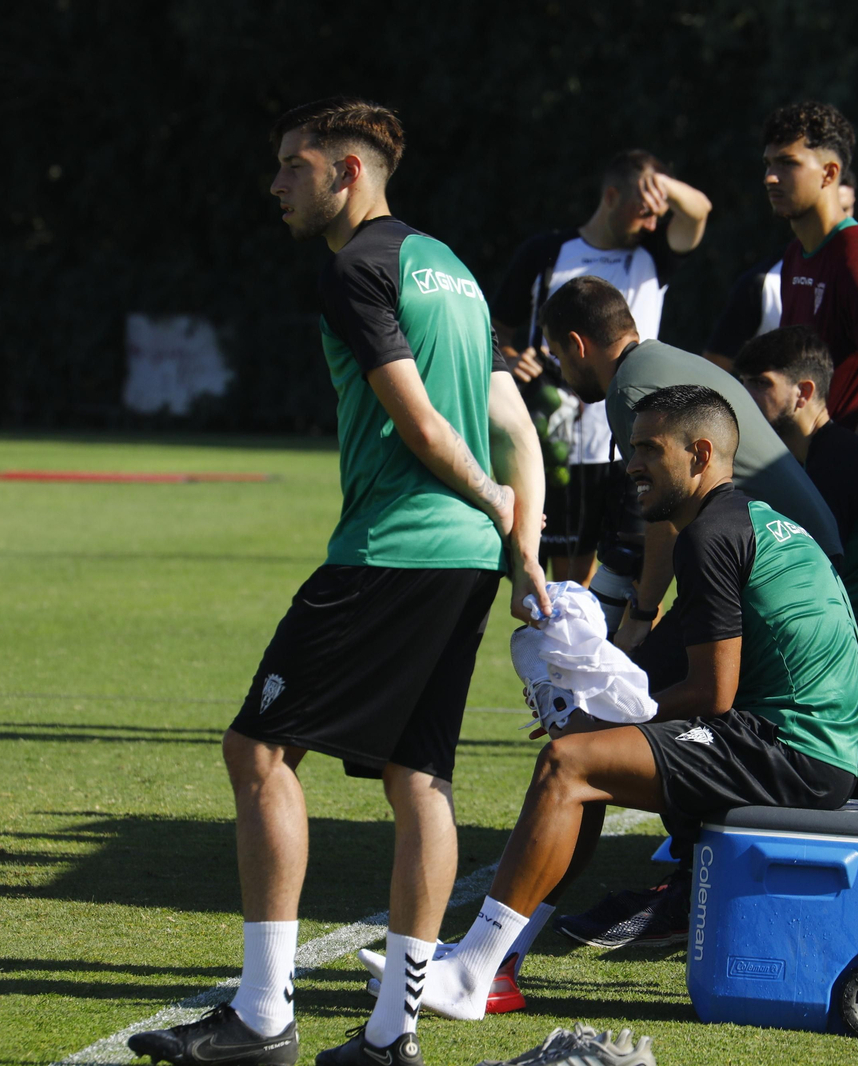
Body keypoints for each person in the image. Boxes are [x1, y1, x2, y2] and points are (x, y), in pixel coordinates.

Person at [127, 97, 548, 1066]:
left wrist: (492, 504)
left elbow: (423, 426)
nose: (276, 184)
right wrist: (519, 542)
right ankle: (390, 1037)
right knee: (420, 778)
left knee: (259, 753)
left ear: (347, 171)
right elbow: (517, 426)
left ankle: (263, 1013)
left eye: (291, 165)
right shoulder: (458, 271)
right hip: (465, 562)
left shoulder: (356, 268)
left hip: (391, 550)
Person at [419, 385, 858, 1022]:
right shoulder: (740, 519)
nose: (631, 464)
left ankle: (476, 972)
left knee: (570, 766)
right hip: (808, 743)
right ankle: (497, 962)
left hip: (793, 751)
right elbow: (661, 662)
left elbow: (712, 693)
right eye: (630, 448)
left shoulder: (708, 535)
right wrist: (585, 685)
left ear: (701, 454)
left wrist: (593, 721)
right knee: (584, 759)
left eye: (648, 450)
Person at [540, 275, 843, 661]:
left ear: (578, 345)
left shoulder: (628, 388)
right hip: (806, 562)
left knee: (636, 688)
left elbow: (666, 512)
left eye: (556, 355)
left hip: (780, 577)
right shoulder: (665, 360)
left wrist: (642, 613)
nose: (561, 371)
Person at [489, 150, 712, 583]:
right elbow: (496, 330)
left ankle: (623, 649)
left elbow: (699, 210)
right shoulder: (546, 252)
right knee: (565, 582)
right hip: (560, 444)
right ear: (611, 196)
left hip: (637, 439)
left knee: (633, 577)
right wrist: (514, 361)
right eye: (644, 210)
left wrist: (661, 188)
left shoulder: (654, 253)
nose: (652, 223)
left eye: (658, 213)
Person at [733, 324, 858, 691]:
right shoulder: (825, 455)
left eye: (761, 384)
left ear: (804, 393)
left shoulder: (837, 462)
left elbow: (800, 583)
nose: (745, 396)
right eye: (742, 382)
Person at [763, 101, 858, 437]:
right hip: (806, 471)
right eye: (769, 163)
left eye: (787, 163)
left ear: (829, 173)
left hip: (839, 479)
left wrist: (851, 462)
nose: (770, 177)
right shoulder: (795, 253)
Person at [703, 172, 857, 372]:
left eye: (846, 209)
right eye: (832, 208)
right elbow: (714, 370)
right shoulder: (762, 285)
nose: (840, 219)